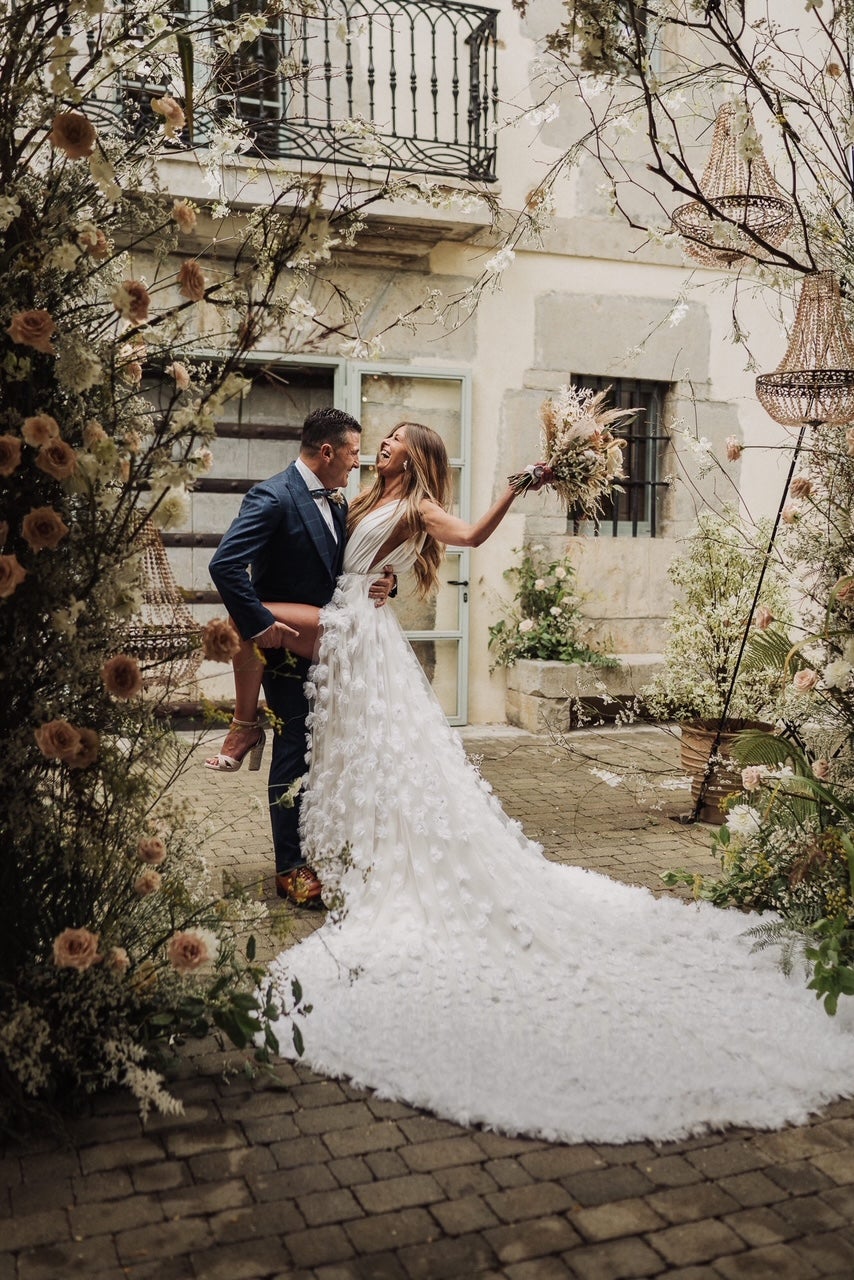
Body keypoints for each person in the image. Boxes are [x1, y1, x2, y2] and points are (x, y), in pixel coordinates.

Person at [256, 417, 854, 1146]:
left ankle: (383, 856)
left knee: (388, 754)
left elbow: (471, 537)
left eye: (397, 442)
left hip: (365, 642)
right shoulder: (351, 501)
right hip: (346, 632)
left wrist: (516, 487)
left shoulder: (415, 507)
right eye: (380, 441)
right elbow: (338, 566)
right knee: (344, 749)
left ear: (419, 458)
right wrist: (373, 582)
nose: (383, 446)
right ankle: (342, 846)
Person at [207, 407, 395, 908]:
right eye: (353, 453)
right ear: (327, 451)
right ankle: (290, 869)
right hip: (287, 649)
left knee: (319, 752)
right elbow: (225, 565)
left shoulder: (336, 502)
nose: (358, 464)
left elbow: (344, 570)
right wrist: (260, 624)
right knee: (293, 750)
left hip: (330, 643)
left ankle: (317, 845)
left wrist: (383, 582)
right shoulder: (272, 496)